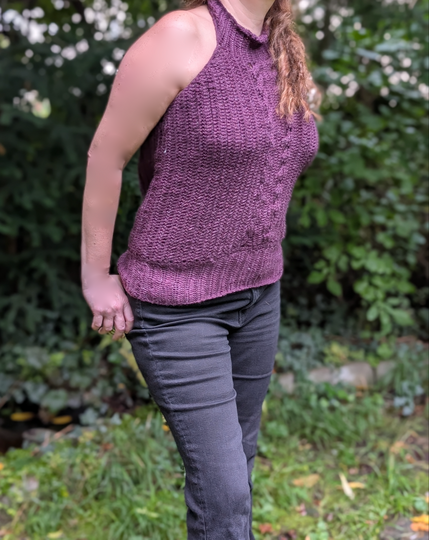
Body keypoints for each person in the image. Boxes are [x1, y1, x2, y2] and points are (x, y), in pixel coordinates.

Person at [81, 0, 319, 536]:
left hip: (260, 295)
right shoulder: (181, 35)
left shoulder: (281, 48)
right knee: (225, 490)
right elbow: (106, 156)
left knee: (237, 469)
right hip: (177, 305)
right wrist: (96, 277)